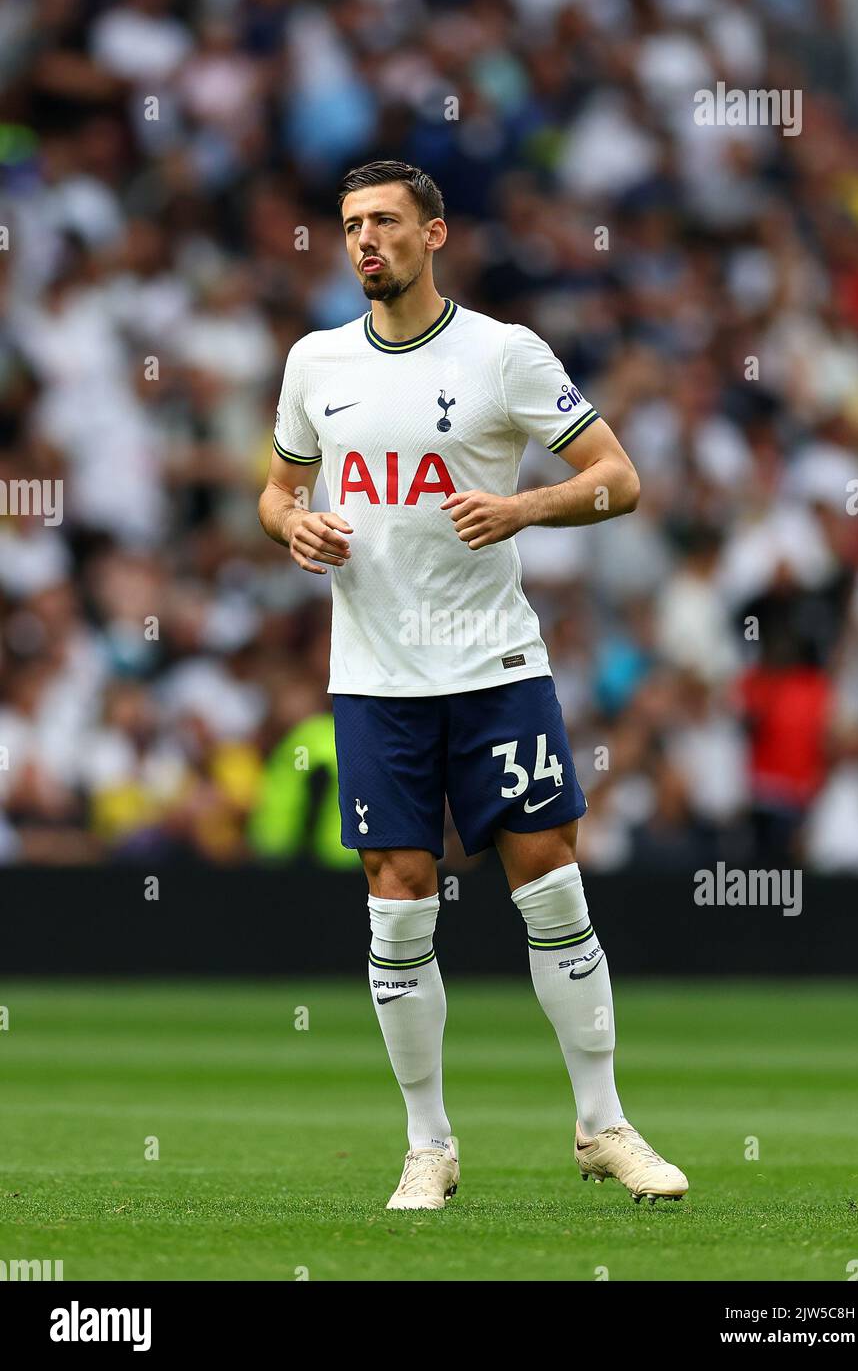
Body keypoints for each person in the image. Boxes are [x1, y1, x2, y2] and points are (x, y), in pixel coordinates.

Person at [258, 160, 688, 1210]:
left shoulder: (501, 354)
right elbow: (276, 490)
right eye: (353, 223)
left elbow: (617, 479)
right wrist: (291, 525)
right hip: (373, 676)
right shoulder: (314, 361)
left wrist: (521, 508)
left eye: (387, 223)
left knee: (547, 880)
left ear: (435, 234)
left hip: (492, 665)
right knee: (398, 903)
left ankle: (602, 1124)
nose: (365, 240)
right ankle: (427, 1144)